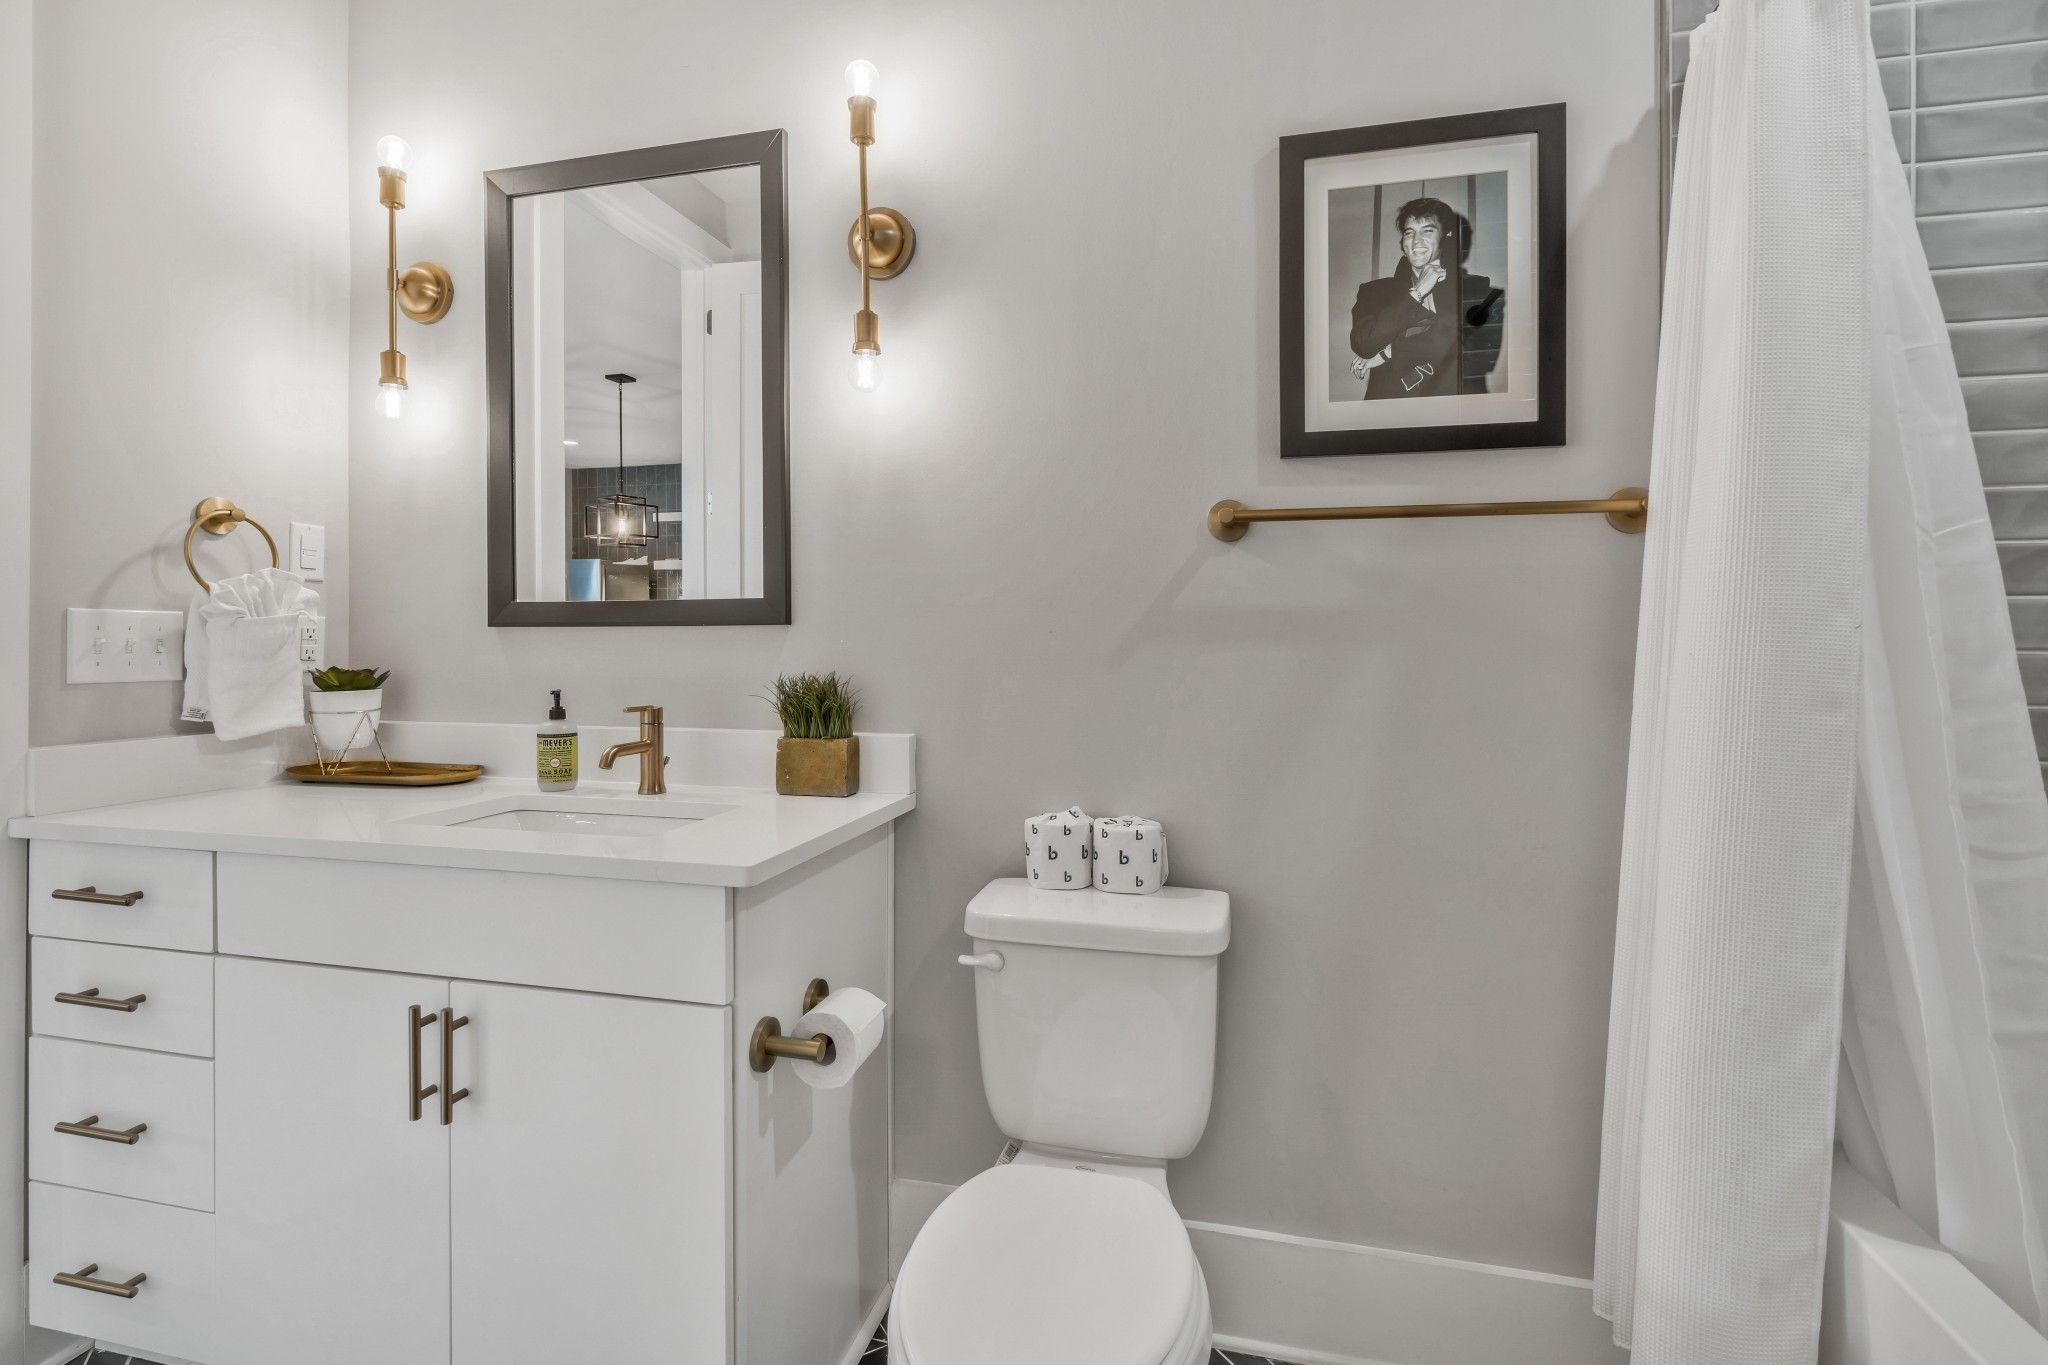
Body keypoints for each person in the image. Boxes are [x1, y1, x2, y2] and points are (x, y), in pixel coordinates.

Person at [1347, 196, 1505, 399]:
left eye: (1427, 231)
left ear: (1446, 235)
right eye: (1409, 232)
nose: (1416, 240)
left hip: (1456, 411)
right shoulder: (1374, 291)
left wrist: (1390, 352)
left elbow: (1475, 348)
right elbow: (1364, 344)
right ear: (1402, 241)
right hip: (1388, 414)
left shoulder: (1477, 289)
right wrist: (1417, 292)